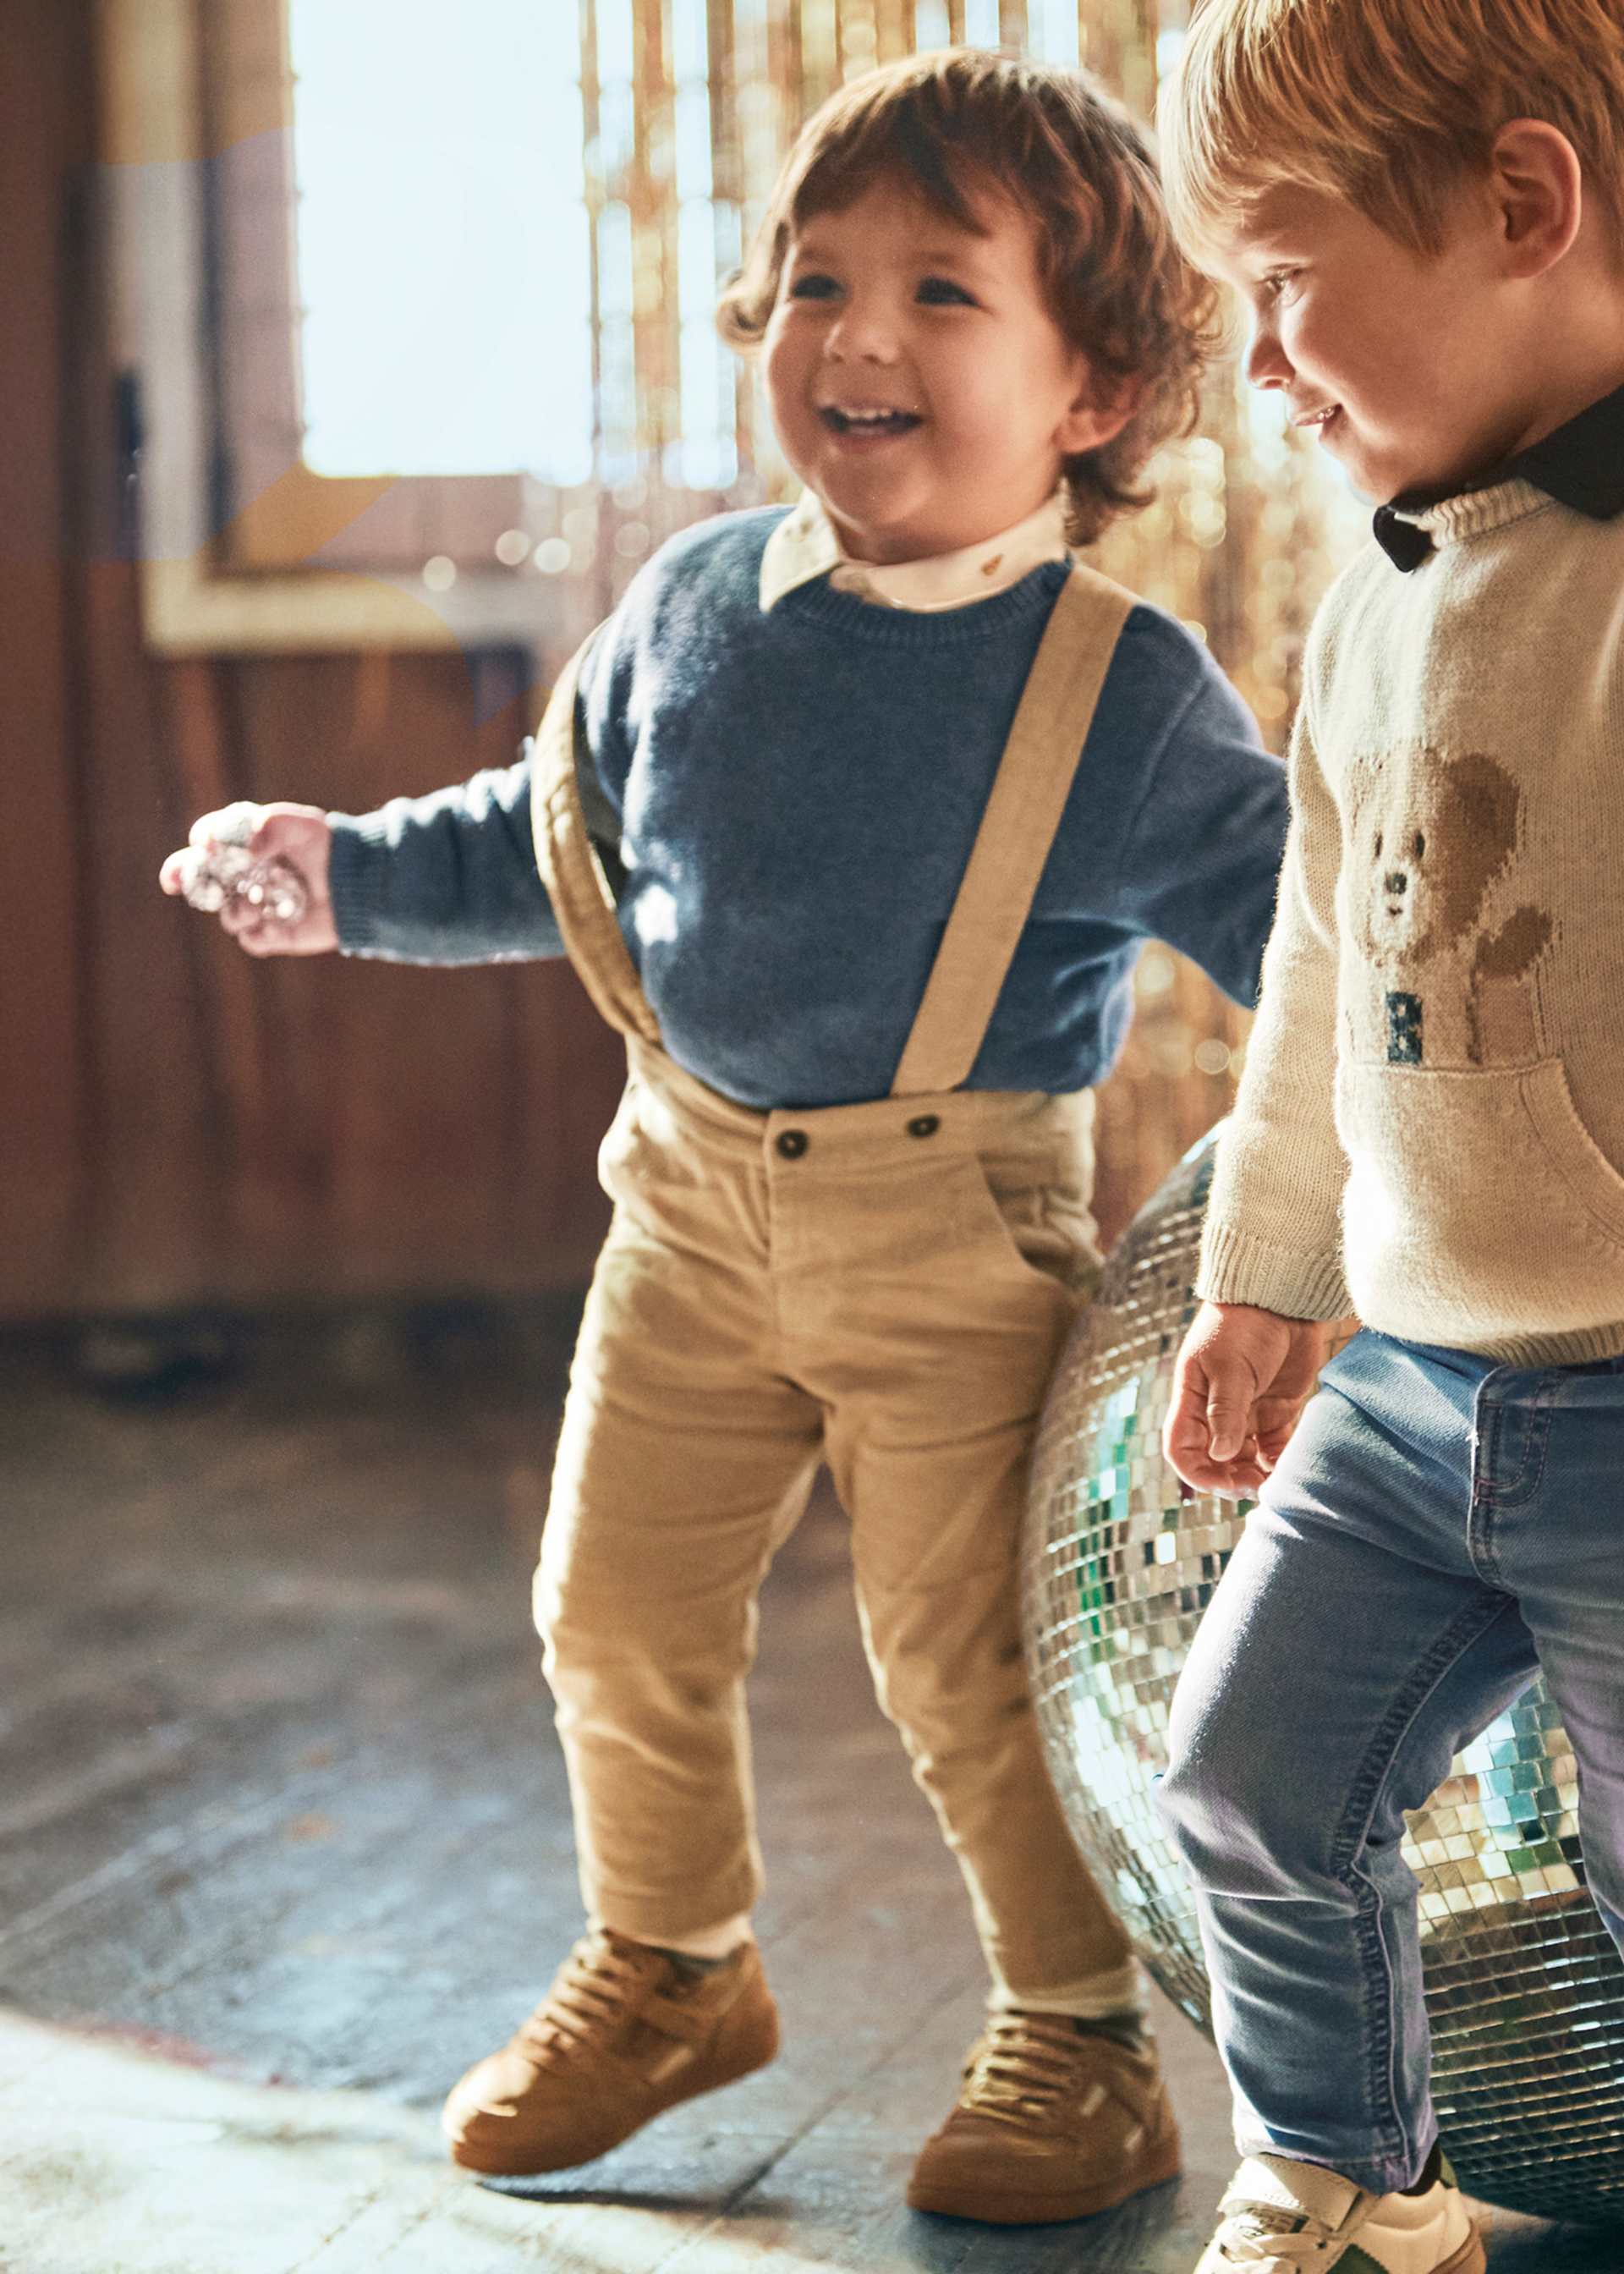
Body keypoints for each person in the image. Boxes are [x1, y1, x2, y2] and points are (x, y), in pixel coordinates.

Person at [164, 49, 1286, 2225]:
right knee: (611, 1608)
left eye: (942, 294)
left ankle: (1078, 2040)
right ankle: (672, 1963)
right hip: (679, 1211)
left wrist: (1359, 1182)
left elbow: (1305, 955)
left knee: (964, 1668)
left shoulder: (1125, 695)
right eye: (813, 285)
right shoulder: (689, 611)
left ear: (1097, 388)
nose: (857, 335)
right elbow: (552, 838)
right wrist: (349, 876)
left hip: (956, 1239)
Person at [1154, 2, 1624, 2268]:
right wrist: (1269, 1273)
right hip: (1412, 1376)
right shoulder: (1372, 606)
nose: (1259, 360)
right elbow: (1327, 980)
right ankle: (1352, 2181)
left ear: (1524, 208)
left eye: (1279, 275)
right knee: (1247, 1786)